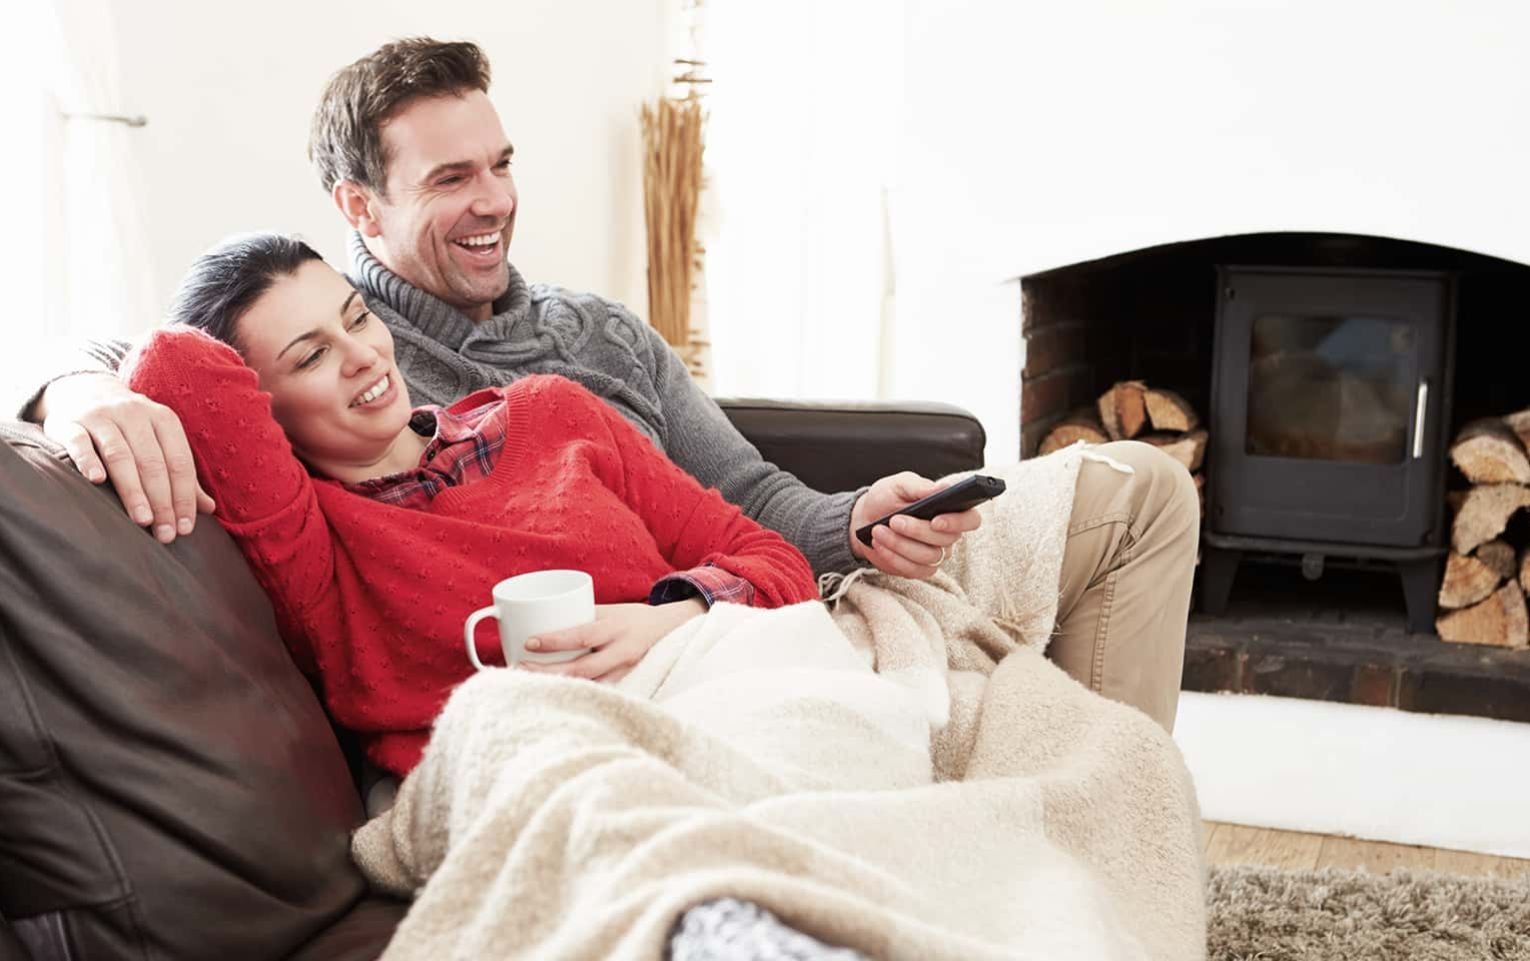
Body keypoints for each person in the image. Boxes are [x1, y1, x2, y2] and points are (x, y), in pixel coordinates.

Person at [21, 38, 1197, 732]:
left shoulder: (592, 340)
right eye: (450, 179)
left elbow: (755, 498)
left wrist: (860, 517)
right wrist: (70, 396)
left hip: (771, 591)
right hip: (639, 681)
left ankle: (1083, 822)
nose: (491, 201)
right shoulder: (351, 373)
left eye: (501, 165)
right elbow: (175, 358)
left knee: (1145, 487)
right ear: (360, 211)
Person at [125, 232, 819, 776]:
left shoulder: (555, 412)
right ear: (262, 413)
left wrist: (667, 619)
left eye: (357, 317)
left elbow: (777, 562)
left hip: (712, 689)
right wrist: (69, 389)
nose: (364, 355)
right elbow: (172, 363)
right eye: (310, 358)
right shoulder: (315, 549)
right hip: (551, 771)